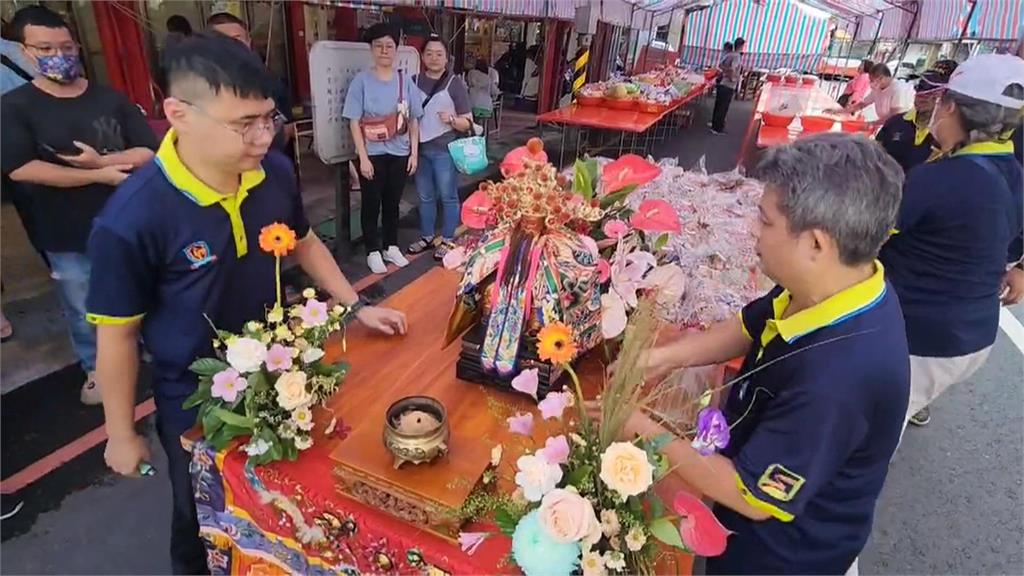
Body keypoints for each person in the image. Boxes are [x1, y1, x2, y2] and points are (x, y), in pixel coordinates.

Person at [88, 33, 408, 575]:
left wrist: (356, 305)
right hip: (195, 396)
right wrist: (120, 434)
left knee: (289, 493)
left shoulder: (273, 173)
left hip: (282, 367)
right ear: (179, 113)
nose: (264, 136)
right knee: (200, 511)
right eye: (245, 124)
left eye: (270, 119)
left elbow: (303, 240)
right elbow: (116, 334)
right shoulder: (131, 219)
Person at [629, 133, 909, 574]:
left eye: (764, 220)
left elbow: (750, 494)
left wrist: (641, 427)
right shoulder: (836, 283)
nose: (751, 230)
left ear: (816, 244)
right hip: (750, 464)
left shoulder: (839, 379)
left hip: (779, 555)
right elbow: (750, 324)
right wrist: (665, 357)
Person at [1, 5, 157, 404]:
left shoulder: (109, 98)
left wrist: (102, 162)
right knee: (83, 303)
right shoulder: (15, 107)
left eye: (66, 46)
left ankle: (147, 349)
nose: (59, 54)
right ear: (23, 52)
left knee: (142, 289)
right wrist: (96, 176)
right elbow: (20, 168)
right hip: (64, 227)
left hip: (127, 222)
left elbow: (148, 151)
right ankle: (96, 369)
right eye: (45, 47)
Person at [880, 54, 1024, 428]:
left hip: (922, 336)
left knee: (869, 432)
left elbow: (865, 233)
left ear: (953, 108)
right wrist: (1020, 268)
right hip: (972, 331)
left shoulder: (942, 180)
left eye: (943, 101)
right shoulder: (1014, 173)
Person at [342, 23, 423, 275]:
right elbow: (354, 120)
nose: (384, 51)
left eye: (389, 46)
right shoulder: (361, 81)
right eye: (379, 46)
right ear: (371, 49)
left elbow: (414, 120)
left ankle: (391, 245)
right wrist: (362, 158)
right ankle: (372, 250)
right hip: (373, 155)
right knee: (371, 204)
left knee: (392, 203)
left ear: (396, 50)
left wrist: (414, 153)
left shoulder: (404, 81)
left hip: (399, 153)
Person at [408, 35, 472, 261]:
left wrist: (452, 120)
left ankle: (448, 239)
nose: (434, 58)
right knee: (425, 197)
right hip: (419, 150)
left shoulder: (455, 83)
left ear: (447, 58)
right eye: (429, 54)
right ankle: (426, 236)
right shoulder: (412, 81)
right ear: (422, 57)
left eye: (439, 54)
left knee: (448, 196)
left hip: (445, 150)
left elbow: (468, 120)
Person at [207, 11, 295, 155]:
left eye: (237, 40)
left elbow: (284, 123)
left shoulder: (269, 80)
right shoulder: (203, 88)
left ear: (249, 42)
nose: (232, 47)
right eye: (224, 41)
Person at [875, 64, 956, 172]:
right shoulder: (894, 123)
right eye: (920, 87)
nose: (922, 96)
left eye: (932, 91)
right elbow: (873, 158)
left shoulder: (949, 136)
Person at [844, 63, 912, 122]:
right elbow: (863, 104)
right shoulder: (877, 88)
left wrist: (874, 123)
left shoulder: (898, 89)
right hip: (886, 122)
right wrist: (846, 110)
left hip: (899, 124)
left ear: (881, 78)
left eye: (872, 80)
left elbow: (894, 115)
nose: (871, 83)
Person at [710, 37, 744, 135]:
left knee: (718, 106)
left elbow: (720, 65)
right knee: (723, 107)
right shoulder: (737, 56)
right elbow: (733, 68)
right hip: (728, 85)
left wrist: (725, 72)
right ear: (741, 46)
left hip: (722, 83)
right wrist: (732, 78)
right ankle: (718, 128)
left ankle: (714, 125)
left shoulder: (729, 54)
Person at [467, 57, 499, 127]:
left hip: (472, 105)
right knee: (482, 121)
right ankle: (482, 133)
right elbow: (495, 92)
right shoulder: (488, 79)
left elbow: (468, 85)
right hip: (485, 107)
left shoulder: (471, 73)